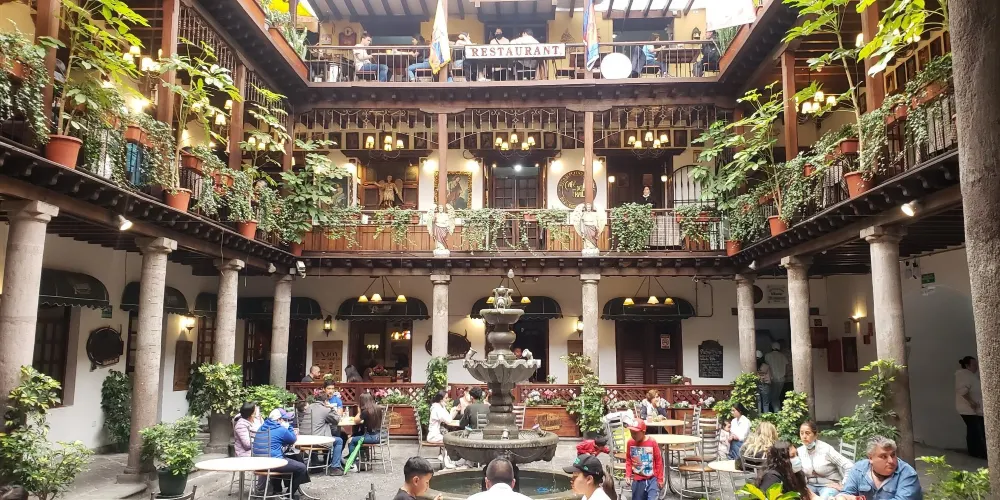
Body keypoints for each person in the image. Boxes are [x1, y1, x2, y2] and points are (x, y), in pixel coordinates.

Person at [835, 437, 922, 500]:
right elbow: (847, 493)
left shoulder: (908, 474)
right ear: (871, 458)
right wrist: (842, 497)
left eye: (893, 455)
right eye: (884, 456)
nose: (891, 461)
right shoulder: (859, 469)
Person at [251, 409, 310, 499]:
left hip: (259, 462)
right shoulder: (281, 429)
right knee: (301, 467)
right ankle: (289, 494)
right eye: (283, 419)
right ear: (279, 419)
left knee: (283, 459)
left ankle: (277, 489)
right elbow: (293, 439)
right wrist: (289, 427)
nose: (285, 421)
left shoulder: (262, 427)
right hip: (273, 462)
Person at [798, 421, 854, 498]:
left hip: (829, 485)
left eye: (807, 433)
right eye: (802, 433)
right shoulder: (799, 451)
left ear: (815, 435)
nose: (804, 436)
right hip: (810, 486)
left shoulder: (826, 449)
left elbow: (849, 466)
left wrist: (844, 485)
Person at [299, 398, 346, 475]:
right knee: (339, 440)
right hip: (316, 441)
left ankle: (315, 465)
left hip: (304, 440)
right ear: (325, 401)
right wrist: (332, 408)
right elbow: (336, 420)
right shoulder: (325, 410)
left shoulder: (308, 407)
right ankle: (335, 467)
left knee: (315, 434)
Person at [624, 420, 664, 500]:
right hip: (637, 479)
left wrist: (660, 479)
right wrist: (628, 474)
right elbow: (628, 459)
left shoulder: (652, 442)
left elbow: (658, 461)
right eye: (631, 433)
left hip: (652, 479)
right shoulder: (630, 443)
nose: (633, 435)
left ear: (643, 432)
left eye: (635, 433)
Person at [956, 356, 986, 459]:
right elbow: (962, 391)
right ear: (967, 365)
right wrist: (972, 402)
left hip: (973, 409)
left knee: (973, 430)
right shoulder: (964, 375)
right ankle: (977, 452)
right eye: (974, 365)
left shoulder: (969, 375)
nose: (976, 367)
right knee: (976, 431)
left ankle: (976, 452)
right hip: (969, 409)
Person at [426, 390, 458, 468]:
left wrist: (455, 410)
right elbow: (448, 420)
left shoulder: (439, 407)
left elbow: (448, 418)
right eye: (446, 398)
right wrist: (453, 410)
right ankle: (446, 461)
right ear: (441, 399)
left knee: (450, 439)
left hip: (435, 434)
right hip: (434, 436)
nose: (447, 399)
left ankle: (443, 456)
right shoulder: (437, 409)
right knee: (450, 440)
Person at [346, 393, 383, 459]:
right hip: (380, 435)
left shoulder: (366, 411)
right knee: (354, 435)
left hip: (372, 437)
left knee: (351, 440)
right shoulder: (378, 408)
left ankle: (353, 460)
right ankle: (361, 457)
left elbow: (356, 420)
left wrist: (359, 411)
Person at [764, 342, 789, 411]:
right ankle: (778, 411)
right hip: (782, 379)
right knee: (777, 396)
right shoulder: (783, 356)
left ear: (772, 347)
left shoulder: (767, 356)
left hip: (772, 379)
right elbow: (787, 367)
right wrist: (785, 374)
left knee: (773, 397)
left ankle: (777, 412)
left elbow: (765, 367)